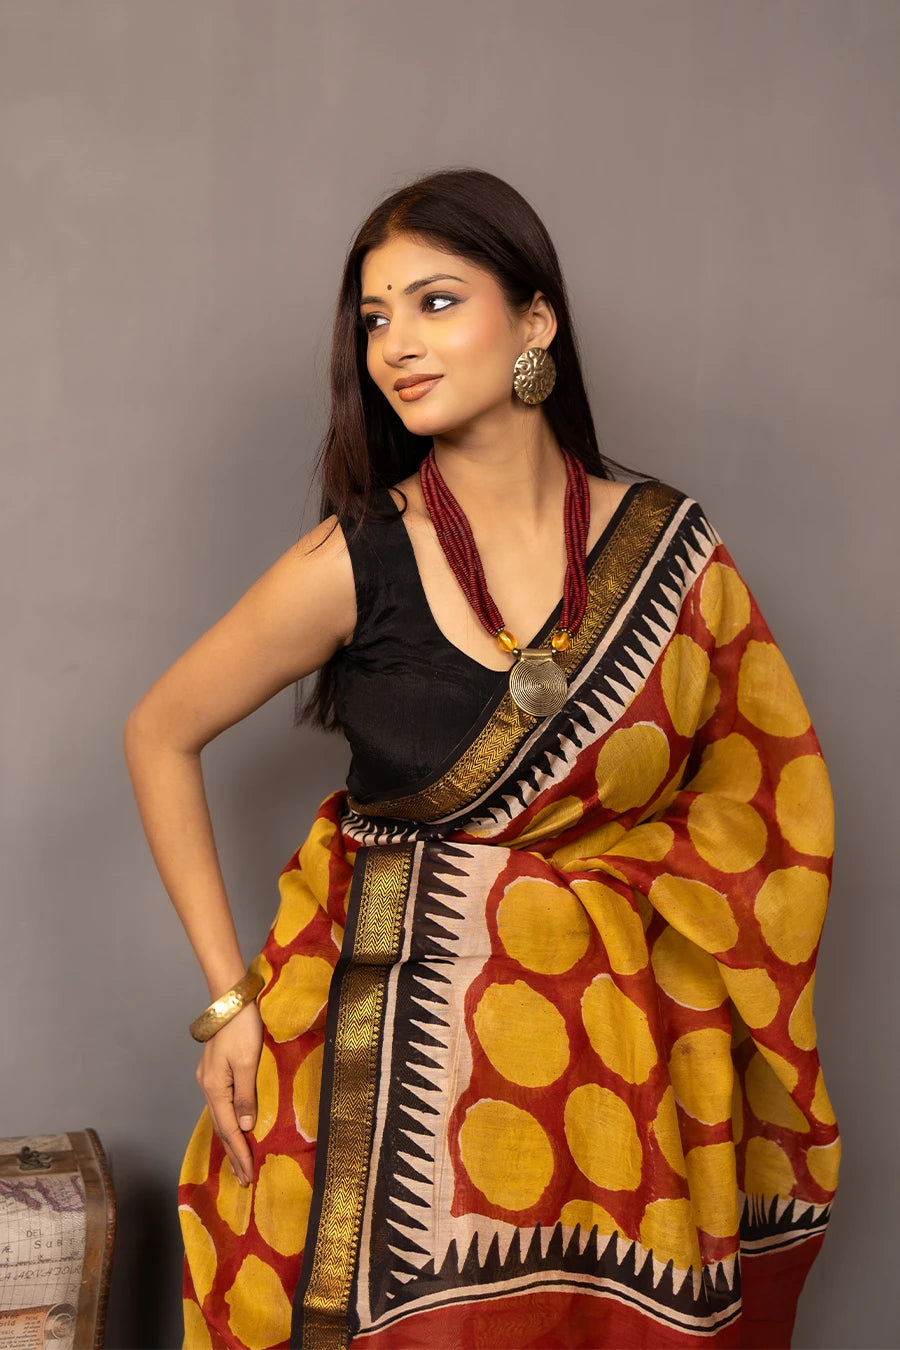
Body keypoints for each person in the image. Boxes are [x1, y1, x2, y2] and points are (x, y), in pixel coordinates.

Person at [124, 169, 840, 1350]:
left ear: (537, 321)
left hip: (616, 1092)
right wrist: (226, 1005)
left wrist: (626, 928)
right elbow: (159, 729)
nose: (396, 343)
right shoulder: (354, 557)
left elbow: (763, 806)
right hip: (367, 1079)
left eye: (436, 302)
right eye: (374, 318)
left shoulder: (672, 553)